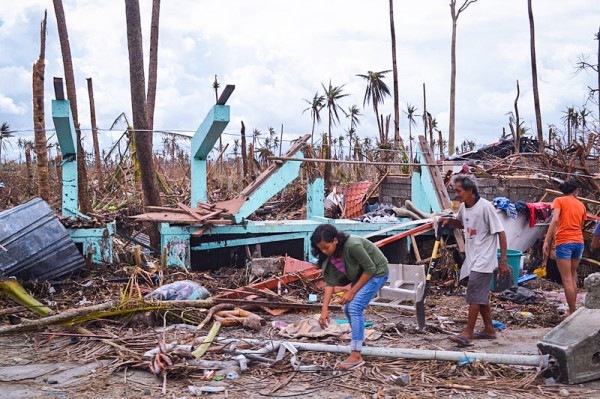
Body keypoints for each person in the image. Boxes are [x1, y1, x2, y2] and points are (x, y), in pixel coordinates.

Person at [441, 174, 508, 347]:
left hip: (484, 259)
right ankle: (489, 329)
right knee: (480, 296)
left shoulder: (486, 207)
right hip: (473, 257)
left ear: (470, 190)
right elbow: (462, 223)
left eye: (458, 191)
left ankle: (468, 332)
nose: (456, 195)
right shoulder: (465, 207)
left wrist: (502, 261)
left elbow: (501, 233)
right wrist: (450, 221)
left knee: (473, 294)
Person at [310, 224, 389, 370]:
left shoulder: (353, 245)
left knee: (354, 307)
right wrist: (324, 310)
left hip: (377, 272)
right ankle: (359, 343)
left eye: (326, 247)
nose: (323, 251)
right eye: (320, 248)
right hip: (361, 275)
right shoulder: (330, 255)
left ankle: (356, 354)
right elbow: (330, 283)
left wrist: (351, 292)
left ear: (335, 240)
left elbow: (370, 269)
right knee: (347, 309)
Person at [544, 179, 587, 315]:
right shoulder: (581, 205)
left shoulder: (559, 201)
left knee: (566, 279)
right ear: (575, 191)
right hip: (579, 242)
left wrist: (547, 240)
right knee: (572, 275)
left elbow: (555, 219)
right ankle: (572, 309)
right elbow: (581, 226)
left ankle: (572, 311)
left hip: (564, 241)